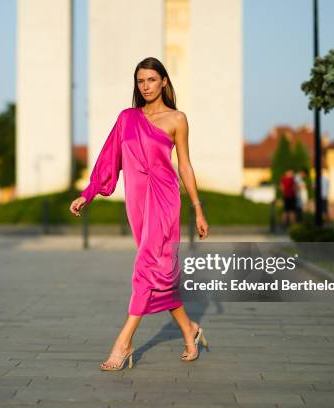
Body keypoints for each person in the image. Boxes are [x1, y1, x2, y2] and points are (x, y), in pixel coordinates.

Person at [69, 57, 210, 371]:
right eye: (140, 81)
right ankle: (189, 329)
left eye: (151, 80)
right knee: (158, 270)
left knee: (145, 264)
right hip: (137, 201)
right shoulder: (127, 118)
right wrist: (88, 193)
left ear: (163, 81)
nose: (145, 86)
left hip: (164, 198)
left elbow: (184, 165)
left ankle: (124, 341)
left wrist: (198, 209)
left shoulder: (177, 118)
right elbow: (110, 159)